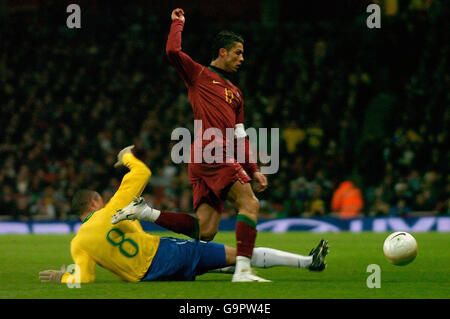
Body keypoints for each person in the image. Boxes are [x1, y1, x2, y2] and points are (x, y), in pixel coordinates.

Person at [39, 146, 329, 284]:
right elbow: (142, 172)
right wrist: (126, 156)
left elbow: (85, 279)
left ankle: (301, 263)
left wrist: (63, 277)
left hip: (151, 278)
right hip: (167, 254)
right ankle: (307, 263)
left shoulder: (77, 244)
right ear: (95, 202)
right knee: (238, 254)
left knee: (219, 264)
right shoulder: (111, 209)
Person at [143, 7, 269, 282]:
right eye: (237, 52)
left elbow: (240, 136)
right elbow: (172, 53)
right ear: (222, 52)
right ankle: (244, 269)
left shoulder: (236, 93)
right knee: (250, 204)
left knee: (206, 230)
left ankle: (147, 212)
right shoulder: (199, 75)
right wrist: (178, 23)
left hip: (204, 157)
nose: (242, 58)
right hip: (212, 151)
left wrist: (254, 168)